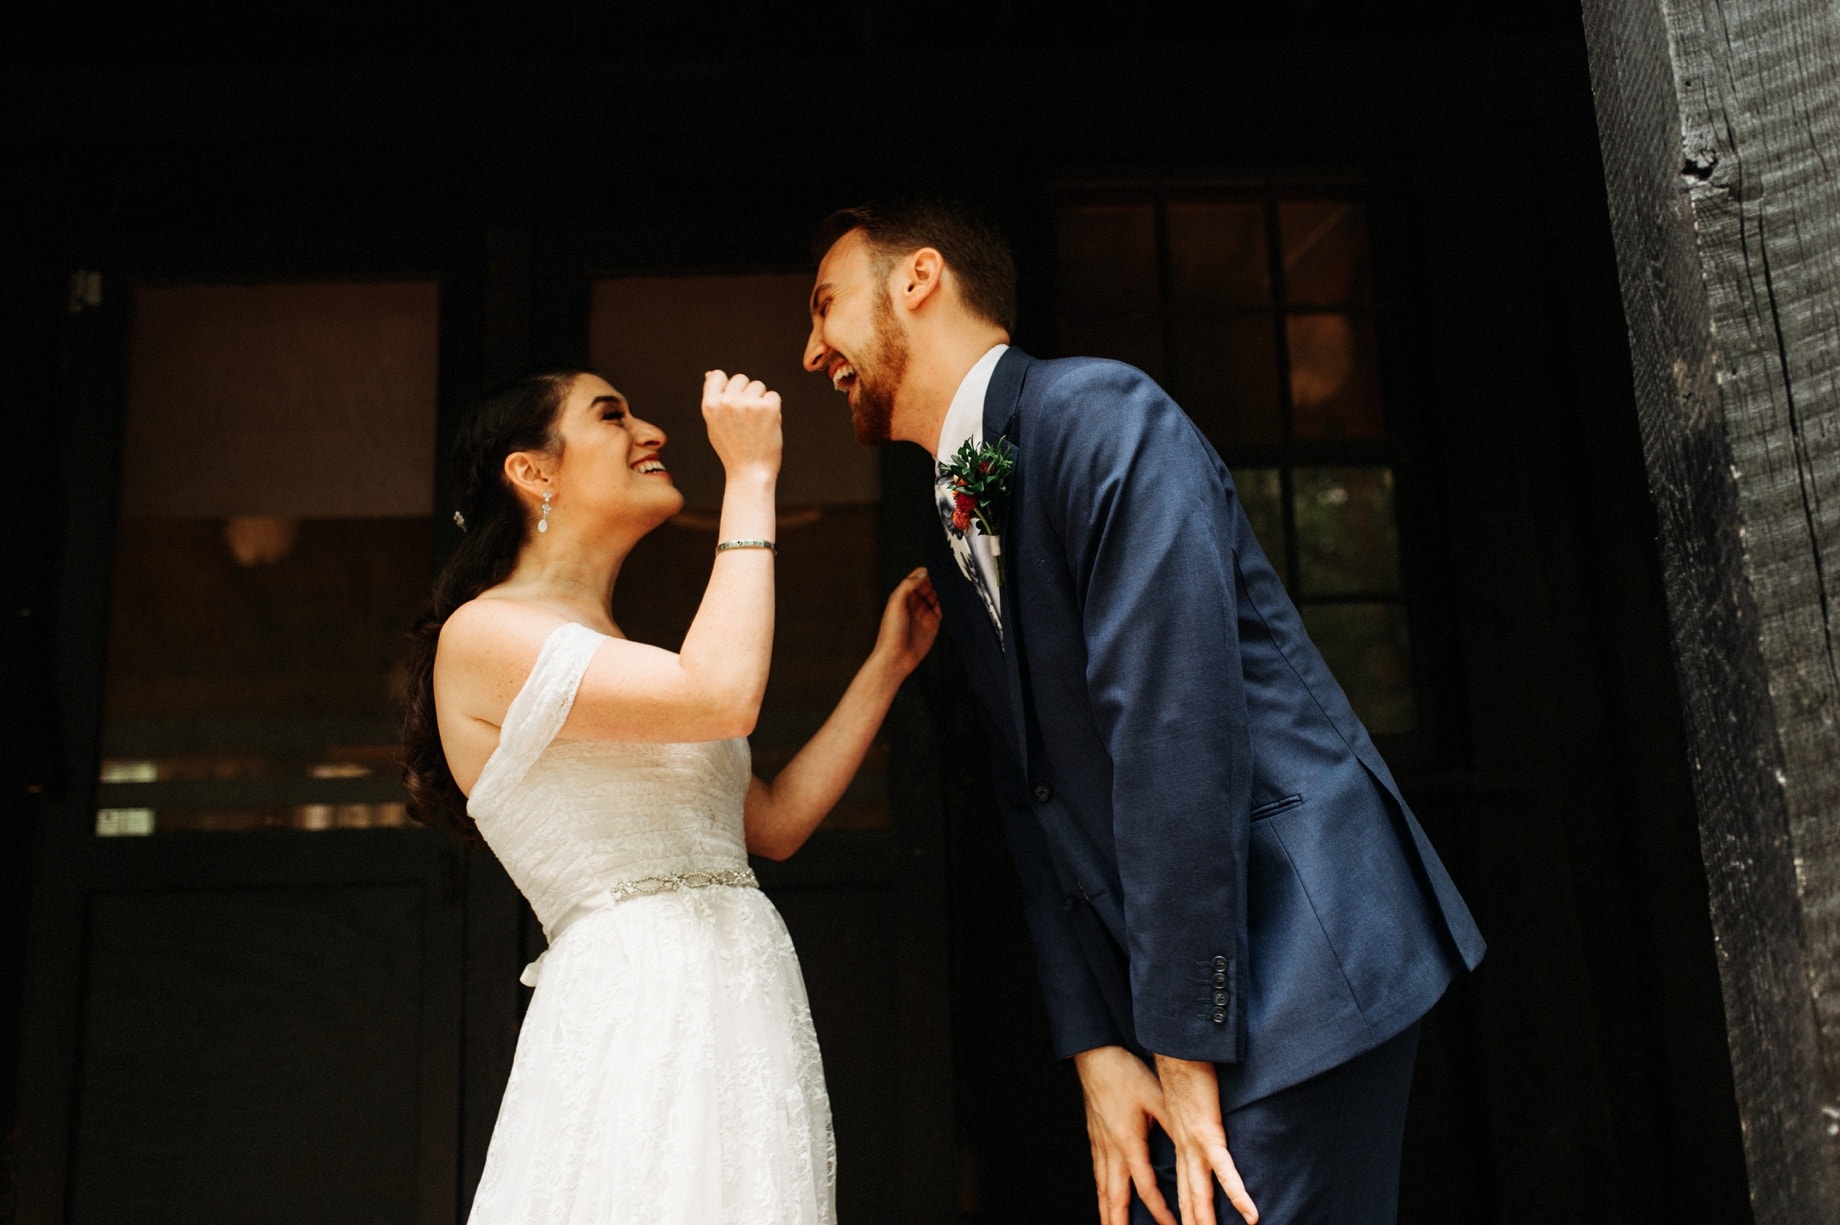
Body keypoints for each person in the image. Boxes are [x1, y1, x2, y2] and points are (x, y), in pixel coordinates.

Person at [802, 201, 1486, 1225]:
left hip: (1295, 955)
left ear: (918, 280)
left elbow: (1172, 736)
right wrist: (1096, 1050)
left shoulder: (1100, 414)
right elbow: (1030, 794)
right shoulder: (958, 505)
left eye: (823, 307)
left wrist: (1179, 1041)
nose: (813, 351)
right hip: (1178, 1002)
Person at [400, 366, 940, 1224]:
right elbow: (721, 692)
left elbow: (771, 823)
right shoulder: (487, 632)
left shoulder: (625, 655)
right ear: (532, 471)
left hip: (740, 996)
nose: (651, 432)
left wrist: (885, 669)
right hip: (638, 1005)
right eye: (612, 415)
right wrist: (753, 474)